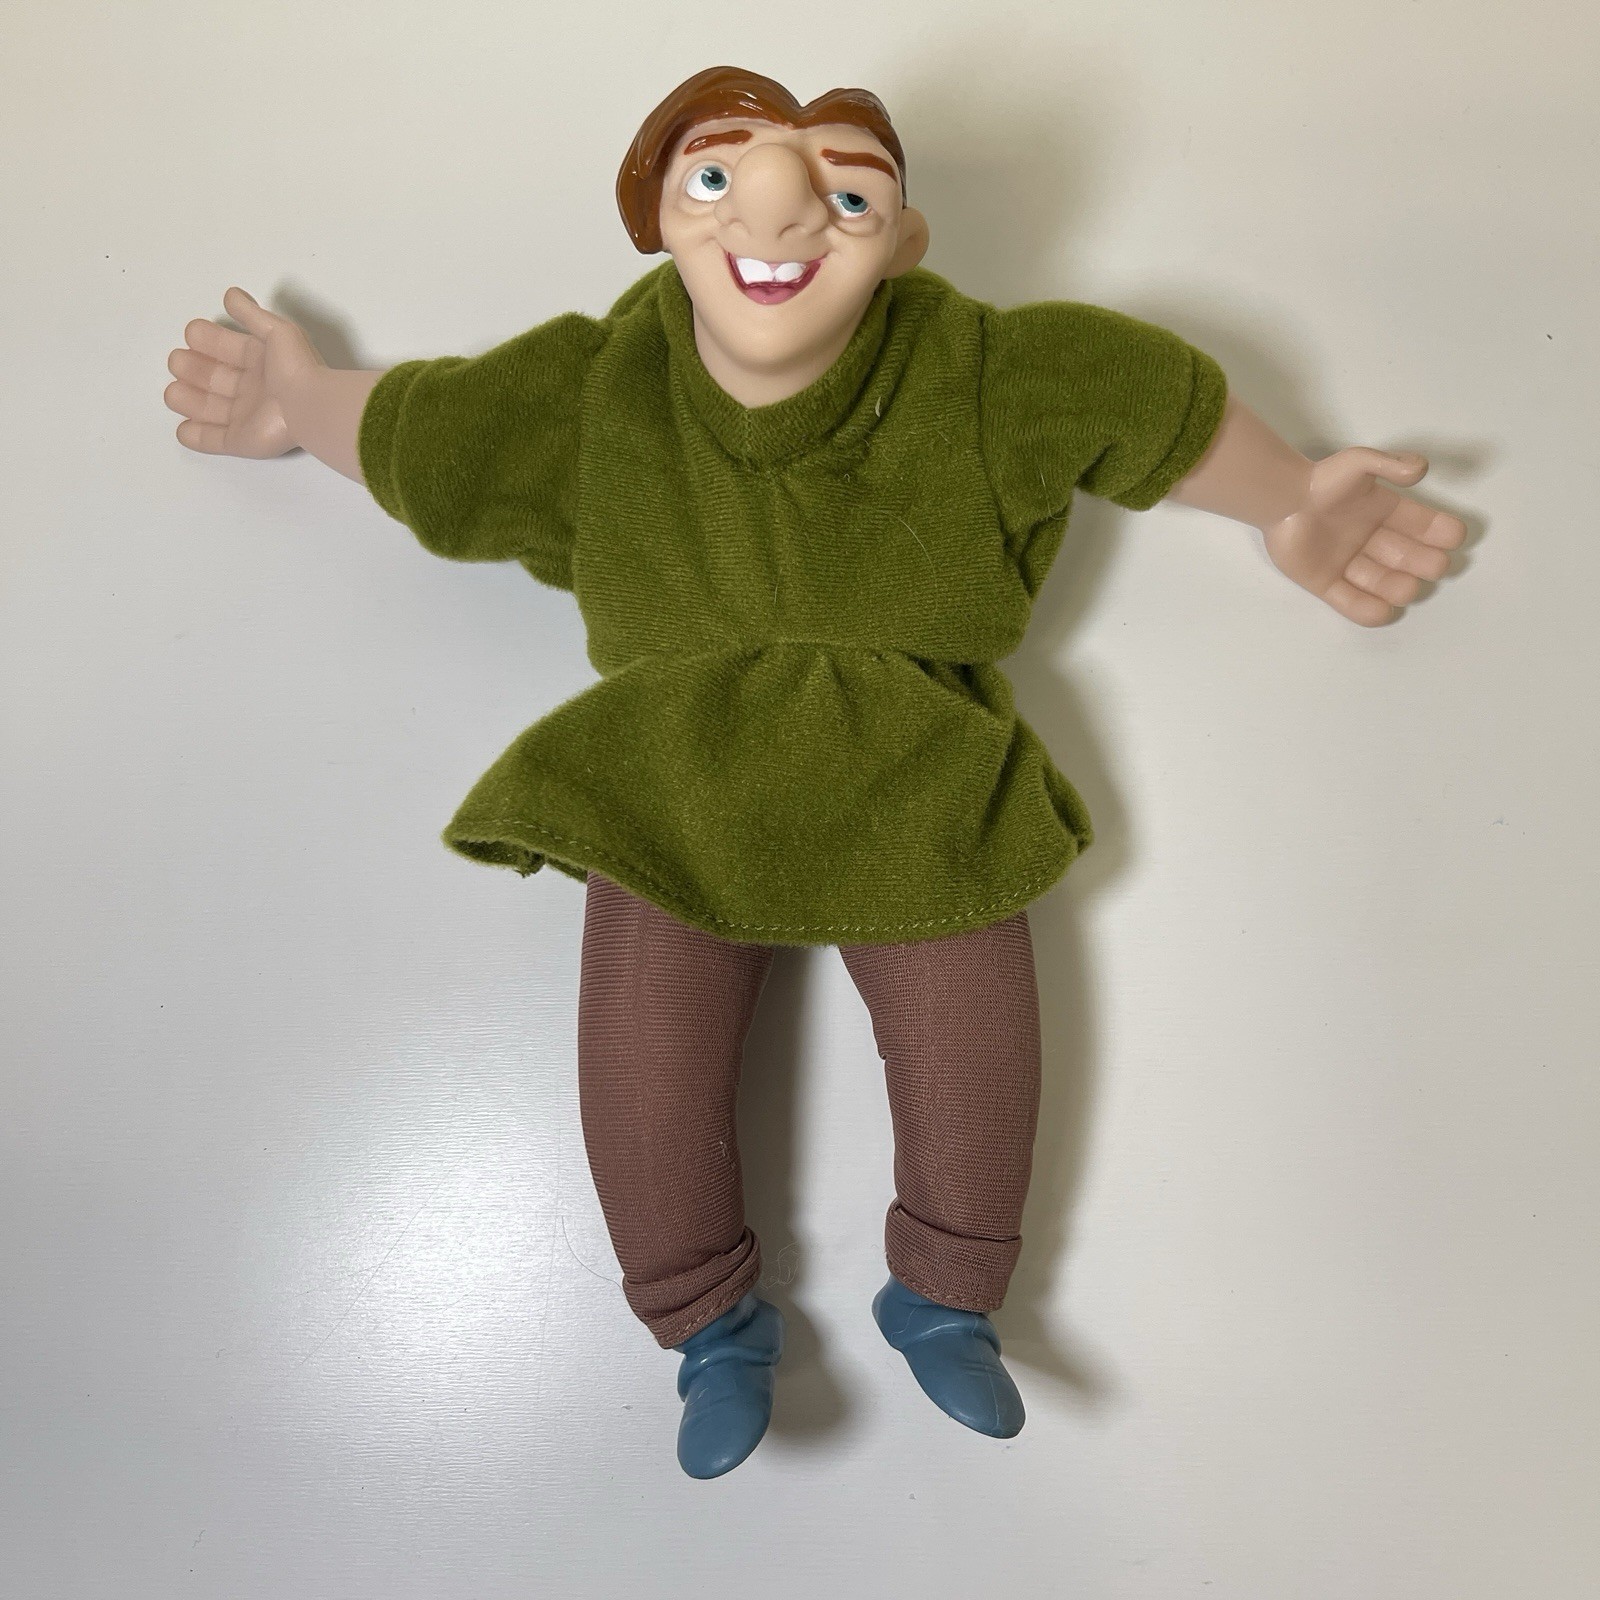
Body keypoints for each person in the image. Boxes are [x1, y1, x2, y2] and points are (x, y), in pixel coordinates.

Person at [164, 64, 1468, 1479]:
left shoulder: (974, 369)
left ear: (902, 242)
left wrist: (1289, 500)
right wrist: (303, 399)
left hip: (915, 770)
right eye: (715, 179)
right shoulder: (600, 388)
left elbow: (1141, 401)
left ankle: (947, 1295)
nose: (779, 218)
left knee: (975, 1049)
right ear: (658, 223)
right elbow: (438, 434)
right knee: (643, 1065)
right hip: (669, 780)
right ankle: (706, 1326)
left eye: (849, 196)